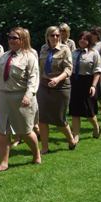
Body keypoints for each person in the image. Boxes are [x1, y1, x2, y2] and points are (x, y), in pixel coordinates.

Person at [0, 27, 40, 171]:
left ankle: (36, 154)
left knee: (25, 131)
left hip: (21, 97)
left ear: (23, 40)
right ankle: (3, 162)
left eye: (15, 38)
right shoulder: (4, 56)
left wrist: (28, 95)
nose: (11, 41)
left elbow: (33, 78)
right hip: (4, 97)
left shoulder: (29, 57)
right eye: (10, 38)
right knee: (3, 131)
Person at [38, 26, 77, 154]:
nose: (55, 37)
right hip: (44, 87)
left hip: (61, 88)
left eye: (57, 35)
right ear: (47, 36)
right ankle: (44, 147)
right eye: (52, 35)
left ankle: (71, 140)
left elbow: (68, 69)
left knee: (59, 119)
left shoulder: (65, 49)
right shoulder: (43, 49)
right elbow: (40, 67)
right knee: (42, 119)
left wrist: (57, 79)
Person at [69, 31, 101, 141]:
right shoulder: (73, 52)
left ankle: (96, 127)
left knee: (89, 111)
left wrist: (93, 86)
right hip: (74, 82)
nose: (83, 40)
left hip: (88, 83)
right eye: (81, 38)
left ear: (89, 41)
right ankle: (76, 135)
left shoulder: (94, 53)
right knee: (74, 111)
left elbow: (97, 71)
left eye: (85, 39)